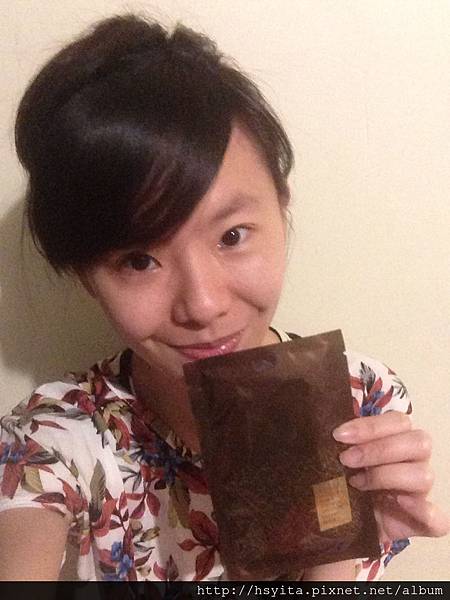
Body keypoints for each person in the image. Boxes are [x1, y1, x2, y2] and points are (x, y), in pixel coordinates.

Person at [0, 14, 448, 582]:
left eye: (232, 236)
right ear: (86, 277)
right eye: (139, 260)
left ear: (281, 208)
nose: (204, 305)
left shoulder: (360, 400)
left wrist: (337, 545)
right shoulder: (55, 440)